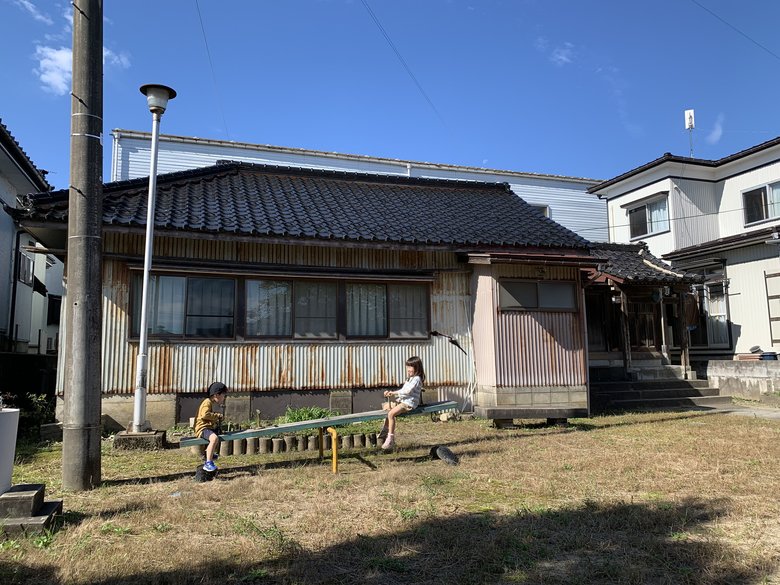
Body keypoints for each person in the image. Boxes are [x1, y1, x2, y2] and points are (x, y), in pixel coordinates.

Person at [378, 356, 425, 450]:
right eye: (407, 367)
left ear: (417, 368)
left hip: (409, 404)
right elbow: (403, 391)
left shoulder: (416, 379)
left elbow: (407, 391)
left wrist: (394, 393)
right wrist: (391, 394)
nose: (408, 369)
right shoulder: (410, 379)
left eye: (410, 367)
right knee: (386, 406)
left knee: (391, 414)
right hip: (403, 401)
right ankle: (386, 429)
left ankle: (390, 438)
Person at [194, 382, 227, 472]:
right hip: (202, 428)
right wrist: (216, 416)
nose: (224, 398)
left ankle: (210, 454)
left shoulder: (210, 402)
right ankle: (208, 463)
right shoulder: (207, 402)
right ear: (216, 395)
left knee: (218, 434)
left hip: (206, 427)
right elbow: (205, 415)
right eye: (223, 395)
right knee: (214, 439)